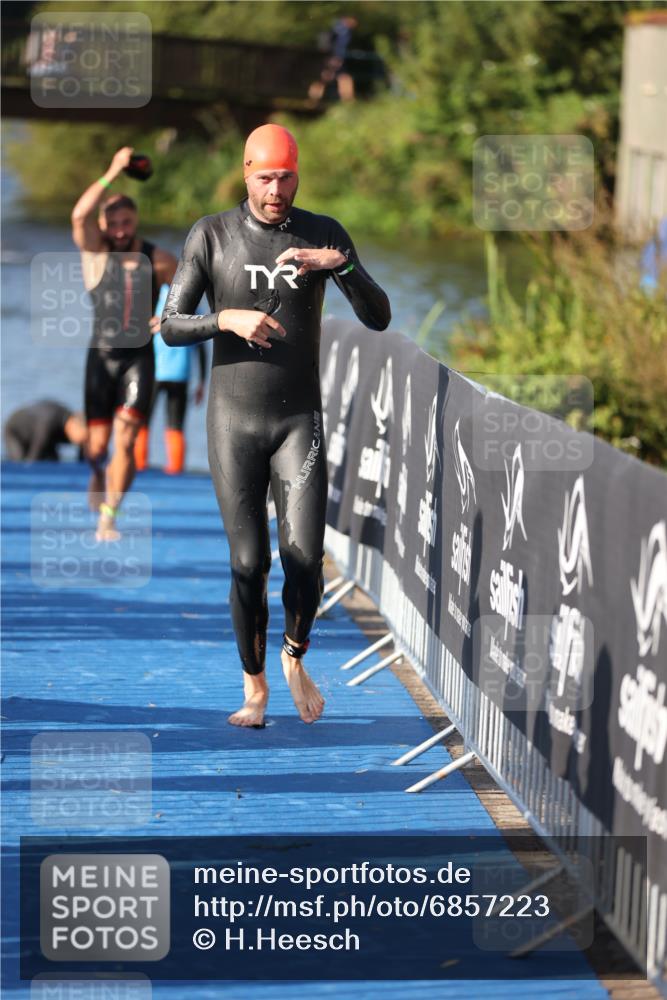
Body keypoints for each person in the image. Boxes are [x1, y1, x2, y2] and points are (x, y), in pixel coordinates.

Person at [161, 123, 390, 727]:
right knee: (248, 564)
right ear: (246, 173)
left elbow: (379, 318)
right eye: (265, 177)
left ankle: (293, 656)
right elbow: (172, 324)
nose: (276, 190)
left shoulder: (324, 233)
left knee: (305, 560)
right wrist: (226, 318)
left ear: (298, 176)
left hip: (296, 420)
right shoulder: (212, 234)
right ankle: (255, 685)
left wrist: (340, 266)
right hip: (233, 420)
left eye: (286, 178)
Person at [70, 146, 178, 540]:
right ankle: (97, 470)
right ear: (103, 224)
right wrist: (114, 169)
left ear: (136, 221)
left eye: (126, 222)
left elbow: (192, 289)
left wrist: (168, 318)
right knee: (97, 446)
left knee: (127, 440)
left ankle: (109, 516)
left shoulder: (158, 259)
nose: (119, 230)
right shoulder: (95, 253)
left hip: (139, 358)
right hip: (101, 357)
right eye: (112, 223)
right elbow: (78, 216)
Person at [134, 285, 207, 475]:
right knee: (176, 423)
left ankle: (139, 464)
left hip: (154, 372)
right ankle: (176, 468)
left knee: (142, 419)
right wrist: (202, 380)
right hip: (180, 373)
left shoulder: (154, 298)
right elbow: (201, 346)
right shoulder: (192, 301)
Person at [4, 400, 87, 462]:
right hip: (15, 433)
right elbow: (33, 458)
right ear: (74, 424)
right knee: (21, 464)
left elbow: (82, 461)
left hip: (45, 439)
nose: (83, 441)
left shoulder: (72, 428)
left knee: (54, 462)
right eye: (83, 438)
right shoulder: (48, 423)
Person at [308, 15, 358, 104]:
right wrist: (334, 57)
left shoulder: (339, 28)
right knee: (327, 78)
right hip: (334, 58)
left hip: (333, 58)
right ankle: (313, 99)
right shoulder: (340, 29)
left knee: (340, 78)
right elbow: (336, 45)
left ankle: (313, 99)